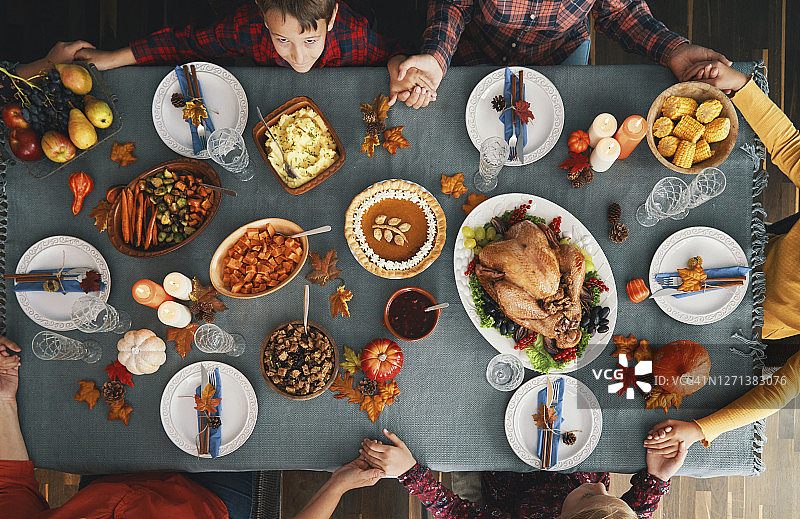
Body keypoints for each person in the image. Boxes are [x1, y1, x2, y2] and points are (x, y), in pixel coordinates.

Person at [643, 61, 800, 455]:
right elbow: (789, 147)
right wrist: (742, 86)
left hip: (756, 321)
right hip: (759, 246)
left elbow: (780, 391)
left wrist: (700, 429)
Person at [388, 0, 731, 109]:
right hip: (476, 52)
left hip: (560, 57)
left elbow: (621, 12)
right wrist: (436, 56)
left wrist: (675, 51)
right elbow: (454, 4)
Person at [69, 0, 433, 100]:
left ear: (332, 18)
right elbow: (186, 42)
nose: (299, 57)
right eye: (282, 41)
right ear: (262, 19)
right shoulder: (245, 29)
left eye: (310, 41)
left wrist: (398, 66)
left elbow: (393, 51)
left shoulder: (354, 34)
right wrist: (114, 57)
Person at [353, 429, 687, 518]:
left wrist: (409, 472)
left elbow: (455, 512)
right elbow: (636, 513)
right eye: (610, 493)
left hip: (506, 474)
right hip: (572, 448)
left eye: (589, 495)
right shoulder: (600, 495)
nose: (600, 486)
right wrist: (656, 478)